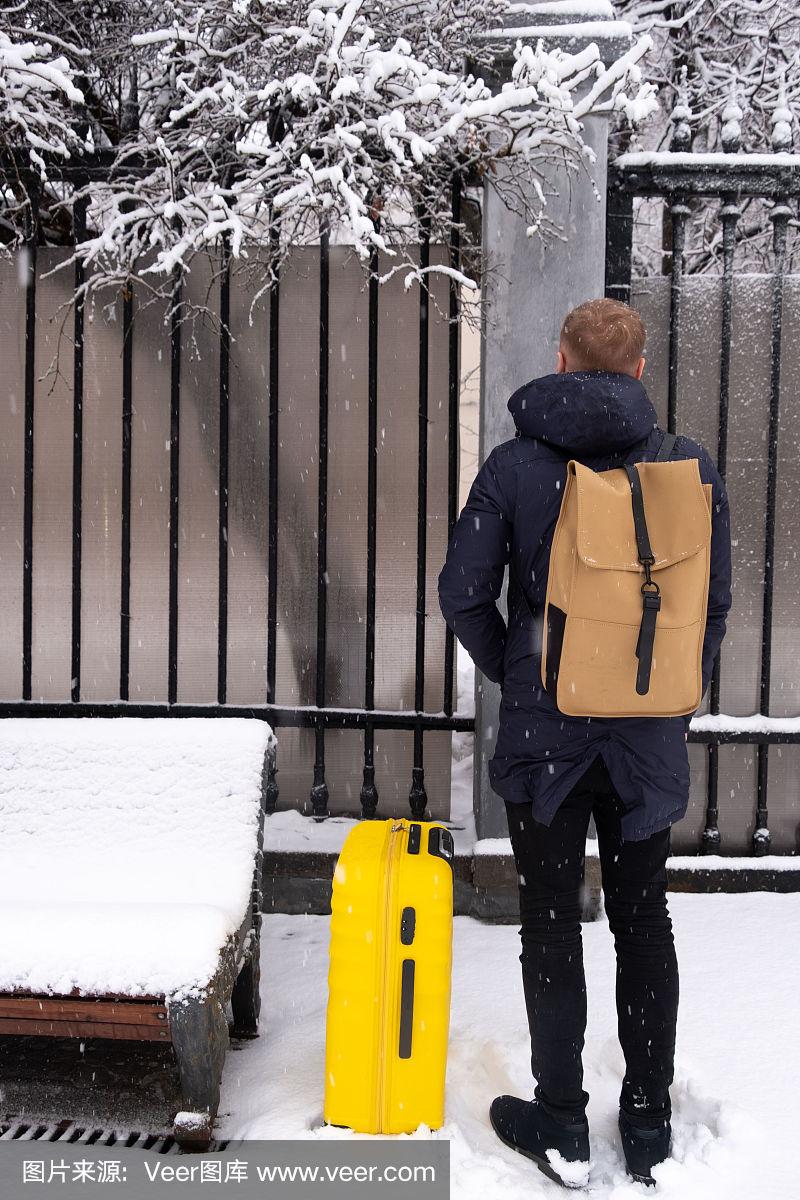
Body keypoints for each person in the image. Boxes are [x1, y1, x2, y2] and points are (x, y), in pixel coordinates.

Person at [437, 298, 732, 1188]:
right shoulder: (687, 465)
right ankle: (647, 1125)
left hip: (545, 740)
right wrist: (669, 693)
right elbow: (708, 607)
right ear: (641, 370)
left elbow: (461, 593)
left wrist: (520, 674)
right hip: (648, 737)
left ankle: (561, 1122)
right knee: (645, 924)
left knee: (551, 923)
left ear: (561, 356)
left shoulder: (518, 467)